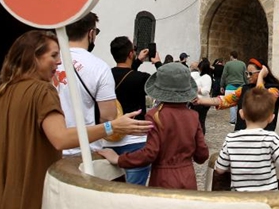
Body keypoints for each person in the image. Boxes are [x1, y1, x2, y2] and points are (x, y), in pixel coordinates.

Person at [0, 30, 152, 209]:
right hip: (30, 194)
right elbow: (61, 138)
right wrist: (111, 126)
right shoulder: (42, 91)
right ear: (33, 56)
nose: (59, 62)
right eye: (53, 56)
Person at [98, 63, 209, 190]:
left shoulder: (155, 115)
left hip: (163, 178)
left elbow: (150, 153)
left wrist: (119, 159)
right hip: (188, 177)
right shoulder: (193, 116)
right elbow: (202, 155)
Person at [53, 12, 117, 156]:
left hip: (49, 146)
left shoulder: (48, 60)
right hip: (83, 149)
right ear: (91, 33)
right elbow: (108, 117)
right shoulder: (100, 67)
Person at [214, 86, 279, 191]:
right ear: (271, 118)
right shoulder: (271, 138)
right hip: (266, 200)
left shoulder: (231, 138)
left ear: (241, 114)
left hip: (241, 201)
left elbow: (220, 169)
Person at [102, 36, 161, 186]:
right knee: (134, 191)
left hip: (109, 139)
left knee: (109, 189)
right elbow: (164, 84)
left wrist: (137, 61)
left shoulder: (104, 76)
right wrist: (157, 63)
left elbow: (125, 74)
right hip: (136, 140)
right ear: (130, 54)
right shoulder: (141, 78)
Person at [196, 58, 279, 132]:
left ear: (261, 72)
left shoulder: (274, 89)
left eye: (251, 73)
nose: (247, 76)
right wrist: (200, 100)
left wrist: (261, 76)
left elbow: (261, 99)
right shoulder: (244, 89)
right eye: (246, 73)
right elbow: (225, 100)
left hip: (263, 137)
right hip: (242, 134)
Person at [221, 51, 248, 125]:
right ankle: (240, 120)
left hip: (230, 86)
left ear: (231, 56)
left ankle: (233, 120)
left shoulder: (228, 64)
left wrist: (221, 85)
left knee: (232, 104)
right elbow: (245, 76)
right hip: (241, 86)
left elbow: (224, 75)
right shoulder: (242, 64)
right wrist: (247, 85)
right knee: (241, 104)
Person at [189, 60, 212, 135]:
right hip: (197, 101)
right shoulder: (201, 76)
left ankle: (200, 138)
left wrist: (196, 89)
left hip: (202, 102)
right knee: (196, 121)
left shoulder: (207, 77)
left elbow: (206, 90)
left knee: (200, 121)